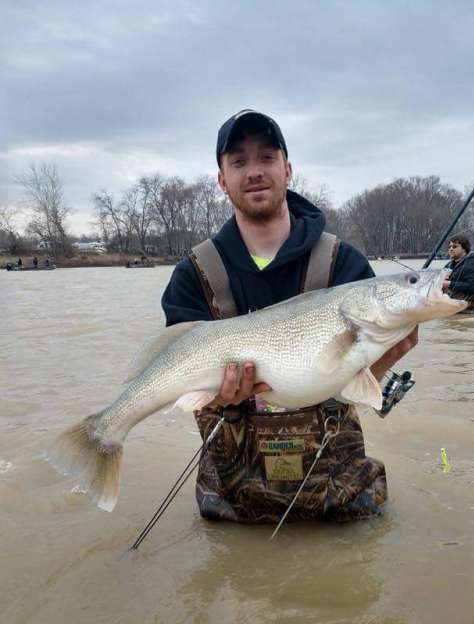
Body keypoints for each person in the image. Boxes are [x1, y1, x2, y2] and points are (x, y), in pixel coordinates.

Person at [161, 109, 417, 525]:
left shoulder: (344, 263)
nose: (255, 171)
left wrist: (388, 354)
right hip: (231, 505)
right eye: (239, 161)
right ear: (222, 179)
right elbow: (179, 372)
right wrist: (220, 395)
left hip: (343, 502)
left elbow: (362, 386)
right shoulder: (194, 275)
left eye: (266, 157)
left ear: (288, 169)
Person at [442, 234, 474, 312]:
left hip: (468, 311)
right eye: (449, 247)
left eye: (454, 246)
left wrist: (449, 284)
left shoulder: (472, 264)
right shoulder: (448, 265)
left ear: (464, 249)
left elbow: (473, 287)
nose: (451, 249)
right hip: (452, 309)